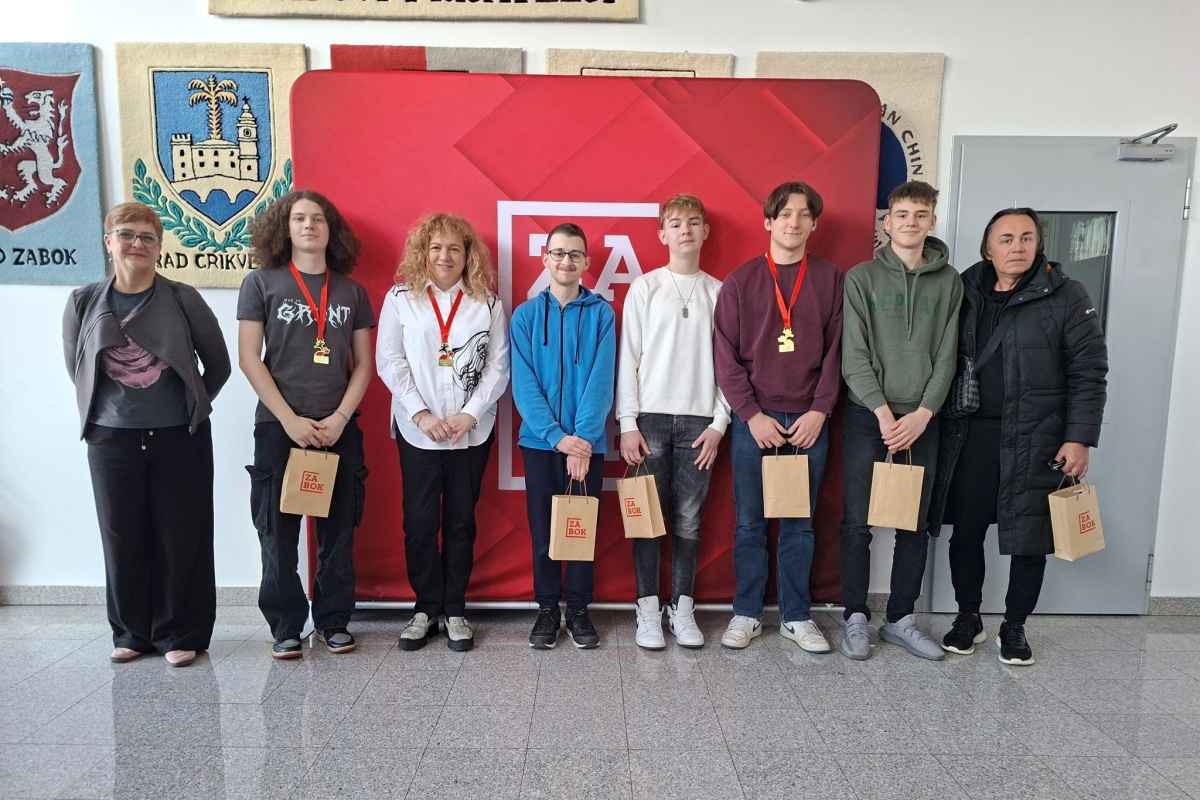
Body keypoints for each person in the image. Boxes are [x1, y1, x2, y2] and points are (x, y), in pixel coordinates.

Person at [928, 208, 1107, 665]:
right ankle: (968, 617)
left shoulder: (1066, 295)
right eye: (1006, 239)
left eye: (1027, 238)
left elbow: (1089, 373)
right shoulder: (964, 289)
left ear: (1039, 245)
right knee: (966, 532)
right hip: (970, 436)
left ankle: (1015, 626)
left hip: (1037, 437)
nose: (1017, 247)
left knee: (1029, 538)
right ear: (988, 248)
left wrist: (1079, 438)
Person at [63, 201, 231, 667]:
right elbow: (77, 368)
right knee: (121, 536)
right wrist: (109, 414)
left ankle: (181, 633)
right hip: (110, 438)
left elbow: (218, 365)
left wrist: (191, 406)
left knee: (182, 536)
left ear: (159, 246)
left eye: (147, 237)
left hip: (180, 435)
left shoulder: (182, 297)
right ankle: (131, 633)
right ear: (108, 241)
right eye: (127, 234)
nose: (137, 243)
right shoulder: (82, 301)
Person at [238, 190, 376, 659]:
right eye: (299, 218)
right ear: (285, 228)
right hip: (280, 426)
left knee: (338, 531)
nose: (309, 226)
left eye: (318, 218)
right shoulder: (261, 283)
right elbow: (249, 358)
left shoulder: (351, 292)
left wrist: (339, 417)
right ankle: (285, 626)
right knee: (277, 532)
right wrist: (289, 419)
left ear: (331, 230)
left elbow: (364, 364)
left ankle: (334, 621)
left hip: (338, 427)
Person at [713, 182, 844, 652]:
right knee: (749, 522)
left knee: (799, 524)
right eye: (785, 214)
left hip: (810, 421)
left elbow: (837, 353)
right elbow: (725, 357)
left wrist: (820, 411)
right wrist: (751, 415)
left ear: (814, 224)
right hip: (757, 422)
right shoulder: (740, 281)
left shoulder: (831, 279)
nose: (794, 222)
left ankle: (796, 617)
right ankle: (747, 613)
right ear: (768, 222)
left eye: (803, 214)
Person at [837, 180, 963, 661]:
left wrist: (923, 414)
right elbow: (853, 354)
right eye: (902, 214)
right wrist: (884, 413)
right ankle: (855, 617)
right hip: (869, 415)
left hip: (923, 420)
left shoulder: (950, 282)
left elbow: (948, 355)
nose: (911, 222)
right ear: (886, 222)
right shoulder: (861, 278)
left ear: (932, 222)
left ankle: (901, 619)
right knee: (858, 522)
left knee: (914, 524)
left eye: (920, 214)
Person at [376, 213, 510, 652]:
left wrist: (470, 414)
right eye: (436, 247)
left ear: (468, 254)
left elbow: (497, 366)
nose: (444, 256)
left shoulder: (486, 303)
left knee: (460, 523)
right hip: (419, 431)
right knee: (419, 523)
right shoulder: (401, 299)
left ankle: (455, 610)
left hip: (471, 432)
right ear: (423, 252)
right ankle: (425, 608)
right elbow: (390, 361)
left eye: (454, 248)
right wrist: (421, 415)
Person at [617, 194, 729, 649]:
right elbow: (628, 357)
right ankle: (647, 610)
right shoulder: (645, 287)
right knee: (646, 519)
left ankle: (682, 609)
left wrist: (720, 423)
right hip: (650, 421)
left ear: (706, 232)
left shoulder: (720, 292)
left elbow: (731, 367)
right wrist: (627, 422)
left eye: (694, 222)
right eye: (677, 223)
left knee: (688, 520)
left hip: (701, 423)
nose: (686, 230)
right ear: (663, 234)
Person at [511, 222, 616, 650]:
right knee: (543, 533)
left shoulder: (602, 314)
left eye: (574, 254)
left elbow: (601, 381)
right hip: (540, 444)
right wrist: (557, 437)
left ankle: (578, 609)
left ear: (586, 262)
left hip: (587, 446)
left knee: (580, 531)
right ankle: (547, 609)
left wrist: (582, 441)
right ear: (545, 259)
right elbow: (524, 385)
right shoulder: (524, 316)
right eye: (558, 253)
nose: (566, 261)